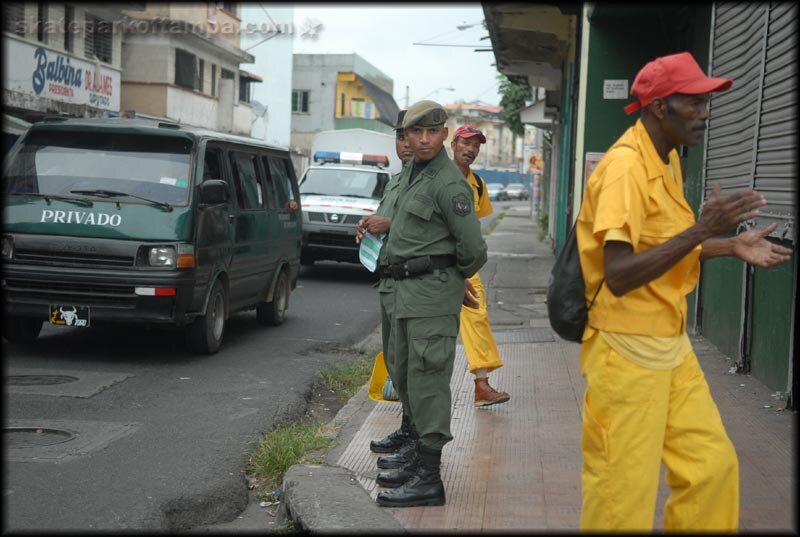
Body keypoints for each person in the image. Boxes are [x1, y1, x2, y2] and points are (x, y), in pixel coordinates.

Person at [575, 51, 793, 531]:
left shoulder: (666, 159)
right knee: (622, 496)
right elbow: (620, 273)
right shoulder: (625, 170)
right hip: (625, 349)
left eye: (705, 101)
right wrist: (701, 231)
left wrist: (729, 244)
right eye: (693, 102)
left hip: (669, 342)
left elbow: (665, 249)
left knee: (712, 470)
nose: (705, 112)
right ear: (659, 107)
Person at [372, 100, 487, 508]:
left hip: (430, 294)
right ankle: (417, 465)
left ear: (444, 134)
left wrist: (451, 280)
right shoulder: (415, 175)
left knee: (428, 382)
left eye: (431, 132)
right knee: (408, 376)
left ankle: (428, 478)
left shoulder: (448, 183)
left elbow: (473, 250)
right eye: (415, 132)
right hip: (408, 293)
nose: (423, 139)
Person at [357, 111, 419, 468]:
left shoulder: (430, 181)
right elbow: (390, 223)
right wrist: (368, 227)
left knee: (415, 365)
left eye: (413, 135)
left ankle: (417, 440)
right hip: (389, 280)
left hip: (416, 284)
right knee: (395, 360)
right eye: (401, 137)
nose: (407, 143)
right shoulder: (397, 181)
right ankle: (406, 427)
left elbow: (431, 228)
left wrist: (391, 223)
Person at [450, 124, 510, 407]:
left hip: (465, 265)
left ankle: (481, 384)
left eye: (476, 146)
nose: (471, 150)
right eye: (466, 143)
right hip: (434, 262)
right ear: (453, 144)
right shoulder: (438, 177)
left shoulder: (478, 185)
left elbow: (475, 224)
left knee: (477, 315)